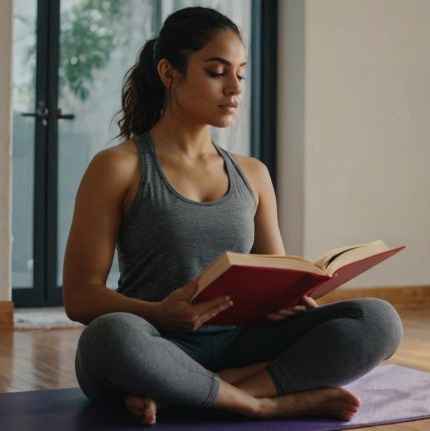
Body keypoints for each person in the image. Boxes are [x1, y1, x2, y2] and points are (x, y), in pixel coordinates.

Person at [63, 7, 403, 426]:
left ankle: (201, 390)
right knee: (107, 336)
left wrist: (292, 302)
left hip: (240, 343)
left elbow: (275, 272)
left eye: (240, 74)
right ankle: (262, 402)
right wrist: (160, 314)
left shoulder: (253, 172)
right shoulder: (119, 166)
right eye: (216, 72)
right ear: (170, 73)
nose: (234, 88)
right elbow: (79, 298)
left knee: (378, 320)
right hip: (154, 341)